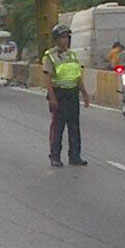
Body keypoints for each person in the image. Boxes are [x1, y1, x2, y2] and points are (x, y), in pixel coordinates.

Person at [43, 24, 90, 167]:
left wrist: (84, 93)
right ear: (56, 39)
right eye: (63, 37)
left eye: (67, 37)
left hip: (72, 94)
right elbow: (48, 79)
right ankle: (55, 156)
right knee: (58, 127)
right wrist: (52, 98)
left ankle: (75, 156)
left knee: (74, 127)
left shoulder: (72, 55)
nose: (66, 40)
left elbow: (77, 76)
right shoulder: (50, 56)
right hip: (59, 94)